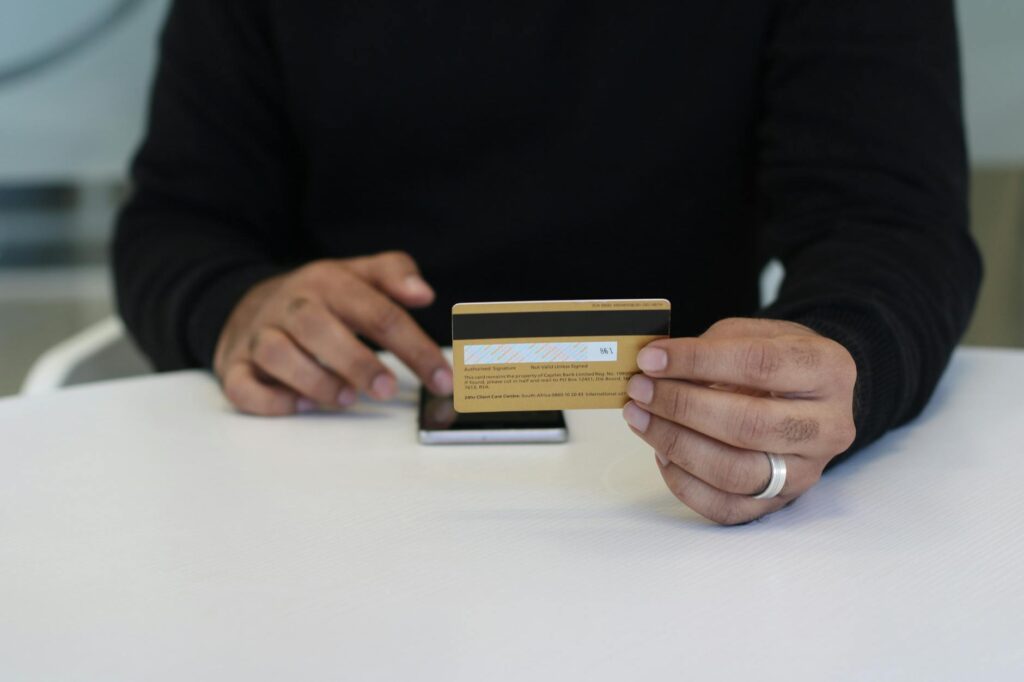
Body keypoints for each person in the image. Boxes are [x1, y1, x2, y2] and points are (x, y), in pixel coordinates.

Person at [113, 0, 981, 525]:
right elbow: (180, 220)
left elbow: (891, 220)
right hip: (331, 476)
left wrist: (836, 368)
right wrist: (241, 306)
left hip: (672, 482)